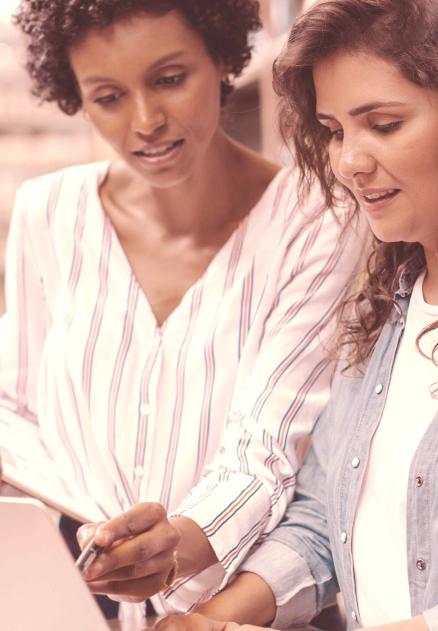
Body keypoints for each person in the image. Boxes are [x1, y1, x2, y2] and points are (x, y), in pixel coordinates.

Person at [0, 0, 364, 618]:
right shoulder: (46, 212)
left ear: (222, 57)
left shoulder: (318, 222)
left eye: (170, 79)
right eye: (108, 96)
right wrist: (83, 533)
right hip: (63, 599)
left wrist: (176, 547)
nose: (145, 121)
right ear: (74, 94)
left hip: (224, 609)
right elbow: (15, 404)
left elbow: (268, 445)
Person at [145, 0, 438, 629]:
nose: (347, 162)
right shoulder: (384, 306)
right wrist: (210, 618)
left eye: (383, 125)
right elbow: (324, 519)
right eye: (335, 130)